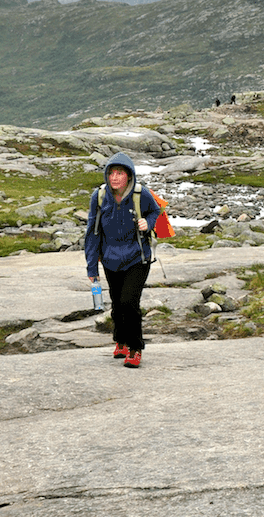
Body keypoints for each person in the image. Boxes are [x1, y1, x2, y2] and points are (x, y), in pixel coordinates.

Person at [84, 152, 162, 368]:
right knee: (117, 304)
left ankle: (135, 348)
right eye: (111, 173)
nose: (115, 177)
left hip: (137, 257)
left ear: (129, 176)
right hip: (110, 259)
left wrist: (149, 222)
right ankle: (121, 341)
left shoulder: (140, 194)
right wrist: (92, 266)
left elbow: (156, 210)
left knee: (129, 302)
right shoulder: (99, 197)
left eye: (120, 173)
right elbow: (92, 232)